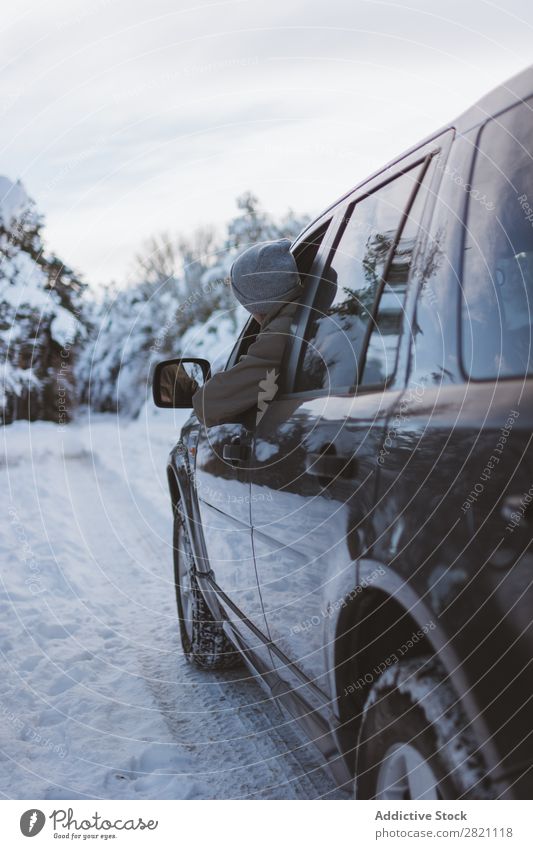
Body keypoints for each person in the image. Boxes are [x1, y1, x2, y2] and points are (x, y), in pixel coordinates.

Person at [192, 238, 302, 427]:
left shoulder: (281, 331)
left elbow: (209, 404)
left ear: (256, 303)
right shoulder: (306, 311)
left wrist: (199, 396)